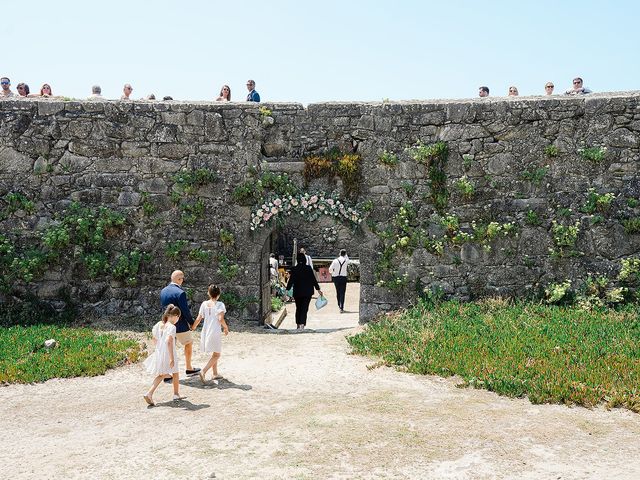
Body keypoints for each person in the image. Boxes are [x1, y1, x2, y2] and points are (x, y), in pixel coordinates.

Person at [160, 270, 200, 378]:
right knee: (188, 343)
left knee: (168, 346)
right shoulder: (180, 293)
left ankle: (166, 374)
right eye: (182, 278)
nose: (183, 280)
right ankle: (188, 368)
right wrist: (191, 323)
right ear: (179, 279)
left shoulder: (163, 291)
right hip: (180, 324)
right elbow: (185, 310)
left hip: (167, 323)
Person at [142, 304, 185, 405]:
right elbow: (169, 341)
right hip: (169, 352)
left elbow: (154, 338)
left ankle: (173, 393)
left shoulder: (159, 325)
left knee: (166, 373)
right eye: (178, 317)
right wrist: (171, 358)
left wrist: (159, 348)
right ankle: (152, 393)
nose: (178, 319)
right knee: (173, 372)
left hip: (159, 351)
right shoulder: (172, 327)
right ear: (175, 316)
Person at [191, 284, 229, 383]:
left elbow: (199, 318)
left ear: (208, 293)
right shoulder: (220, 304)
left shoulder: (204, 304)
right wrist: (226, 328)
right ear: (218, 294)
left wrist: (193, 327)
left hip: (206, 330)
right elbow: (220, 319)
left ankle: (215, 373)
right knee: (217, 354)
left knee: (214, 352)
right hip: (215, 331)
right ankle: (203, 371)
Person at [286, 253, 323, 330]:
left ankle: (298, 324)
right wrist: (318, 289)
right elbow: (313, 279)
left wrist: (287, 289)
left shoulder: (294, 269)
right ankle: (302, 324)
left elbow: (291, 280)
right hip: (307, 292)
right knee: (304, 308)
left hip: (297, 292)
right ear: (305, 260)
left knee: (298, 308)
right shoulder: (308, 268)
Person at [329, 249, 350, 313]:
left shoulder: (335, 260)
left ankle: (339, 304)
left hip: (336, 278)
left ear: (339, 253)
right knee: (342, 292)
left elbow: (330, 269)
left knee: (338, 291)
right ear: (345, 254)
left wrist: (333, 273)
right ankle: (341, 307)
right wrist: (346, 255)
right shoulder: (346, 260)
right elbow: (348, 260)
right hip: (343, 277)